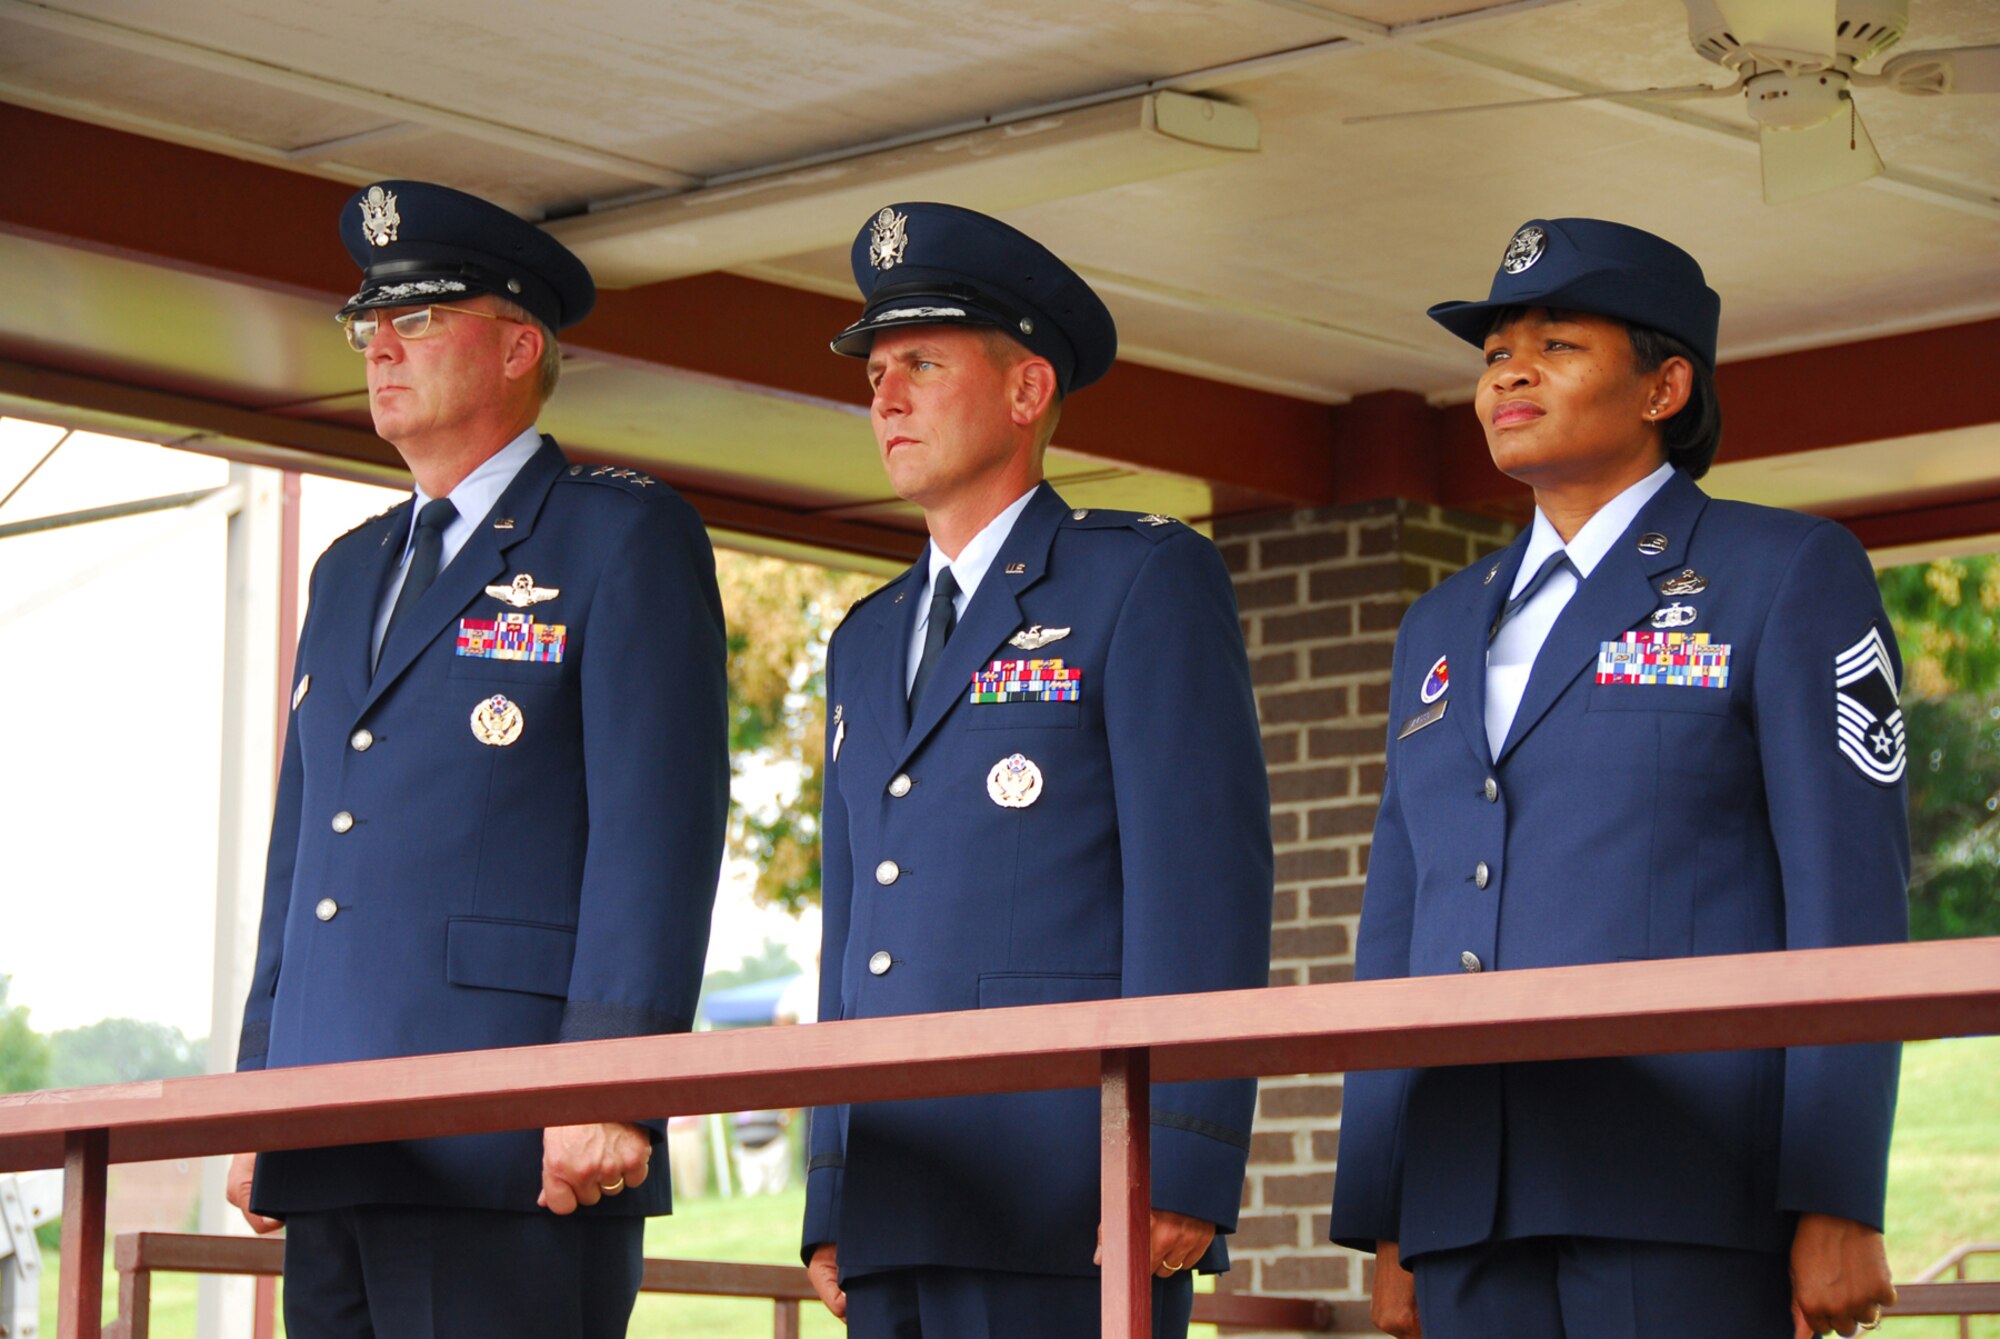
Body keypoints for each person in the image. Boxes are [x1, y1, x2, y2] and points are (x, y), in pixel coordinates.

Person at [1328, 218, 1908, 1339]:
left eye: (1556, 346)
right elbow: (1397, 916)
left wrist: (1836, 1189)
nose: (1509, 374)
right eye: (1495, 353)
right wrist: (1385, 1203)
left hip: (1681, 1184)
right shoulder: (1437, 623)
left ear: (1663, 386)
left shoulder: (1781, 572)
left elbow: (1846, 898)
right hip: (1464, 1195)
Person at [224, 180, 729, 1338]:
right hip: (330, 1117)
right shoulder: (351, 567)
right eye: (370, 323)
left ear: (516, 346)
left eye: (422, 317)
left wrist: (607, 1084)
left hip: (509, 1132)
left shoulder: (619, 533)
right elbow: (302, 849)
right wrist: (261, 1090)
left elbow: (657, 830)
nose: (382, 344)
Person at [799, 202, 1274, 1339]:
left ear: (1025, 392)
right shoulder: (864, 638)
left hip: (1071, 1184)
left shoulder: (1138, 581)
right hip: (900, 1192)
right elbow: (850, 925)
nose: (886, 394)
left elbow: (1200, 883)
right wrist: (830, 1188)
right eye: (875, 369)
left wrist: (1186, 1156)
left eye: (920, 360)